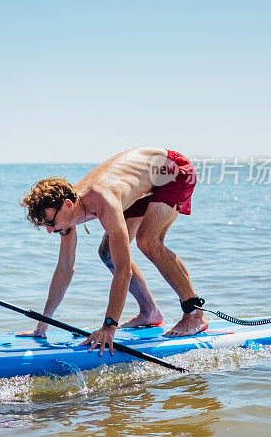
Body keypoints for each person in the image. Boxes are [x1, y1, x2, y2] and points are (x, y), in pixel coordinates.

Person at [17, 147, 208, 356]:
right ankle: (149, 312)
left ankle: (195, 313)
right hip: (144, 182)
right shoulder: (66, 217)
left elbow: (123, 270)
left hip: (172, 171)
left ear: (68, 205)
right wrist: (43, 324)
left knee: (147, 241)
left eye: (50, 223)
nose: (49, 230)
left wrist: (109, 327)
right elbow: (65, 269)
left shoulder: (104, 200)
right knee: (107, 252)